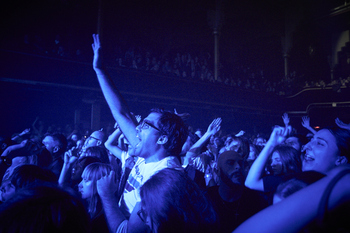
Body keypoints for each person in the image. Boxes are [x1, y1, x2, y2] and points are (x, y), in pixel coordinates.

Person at [92, 34, 188, 233]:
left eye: (144, 125)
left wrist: (107, 196)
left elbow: (128, 232)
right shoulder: (150, 152)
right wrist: (100, 70)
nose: (137, 128)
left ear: (162, 138)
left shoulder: (165, 179)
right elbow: (122, 113)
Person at [206, 150, 265, 232]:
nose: (238, 167)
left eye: (241, 163)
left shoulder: (255, 199)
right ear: (217, 171)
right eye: (230, 163)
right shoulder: (207, 199)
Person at [78, 163, 112, 233]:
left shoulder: (104, 221)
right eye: (82, 179)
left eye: (86, 180)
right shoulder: (83, 206)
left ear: (100, 183)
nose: (80, 185)